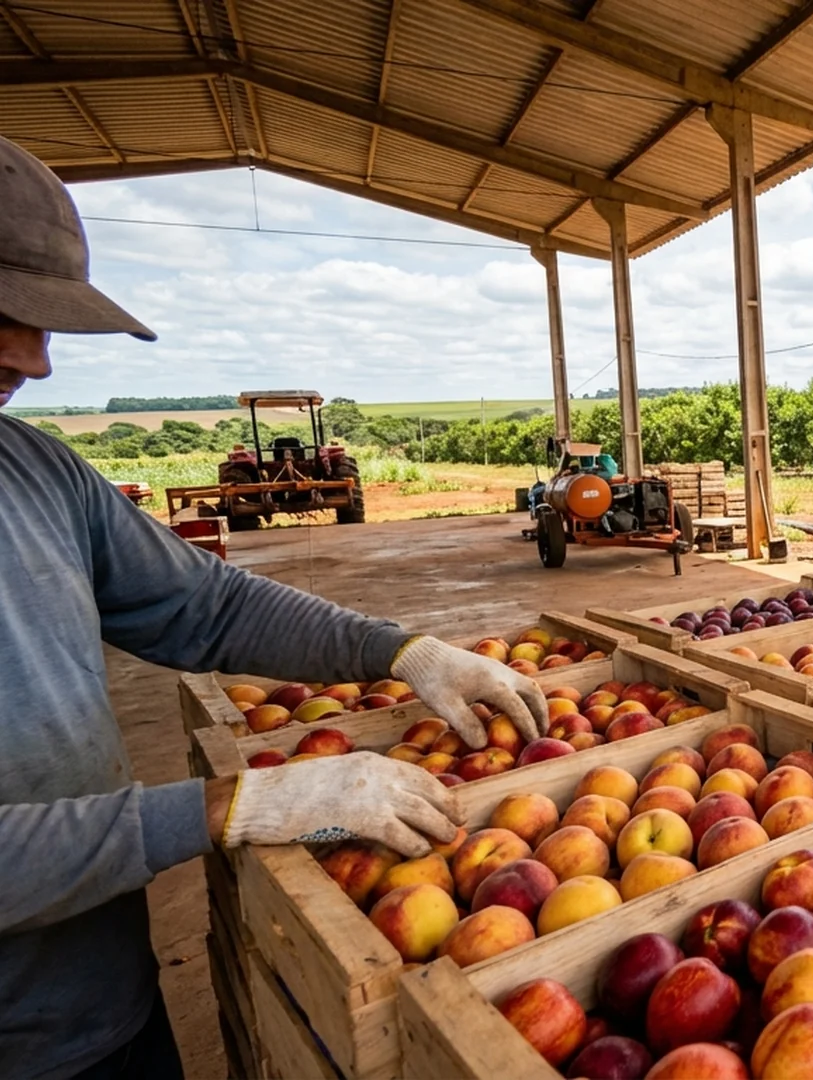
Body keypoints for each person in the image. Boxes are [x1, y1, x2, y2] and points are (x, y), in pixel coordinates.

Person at [0, 135, 549, 1079]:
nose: (38, 361)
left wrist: (403, 649)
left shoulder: (35, 471)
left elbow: (204, 605)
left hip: (99, 1007)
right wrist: (228, 805)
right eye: (4, 314)